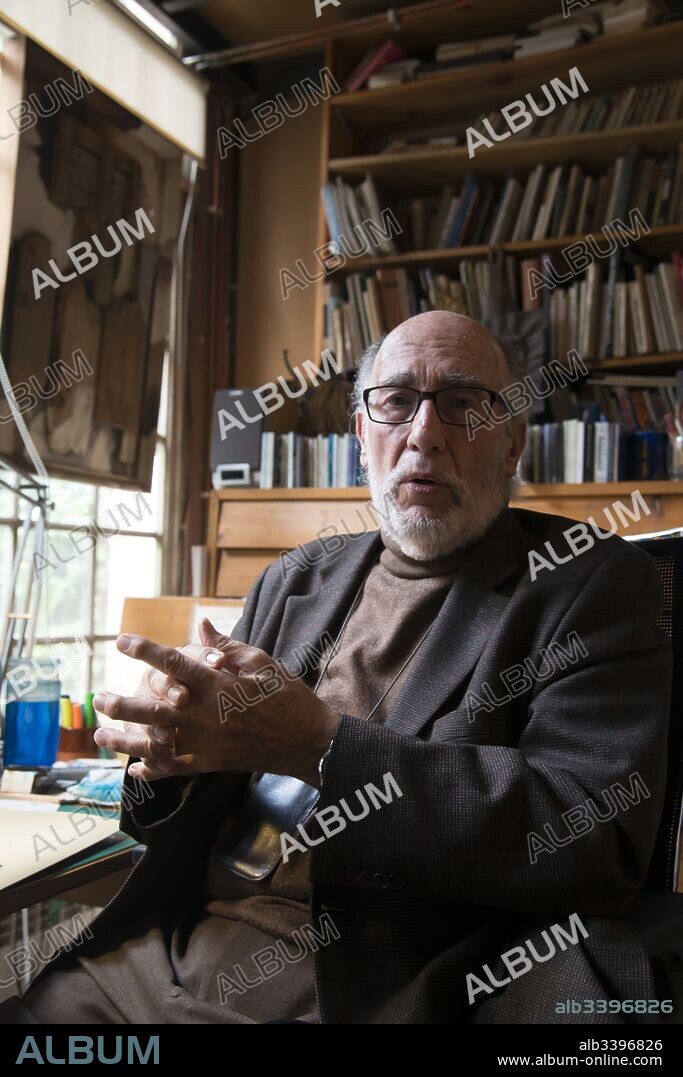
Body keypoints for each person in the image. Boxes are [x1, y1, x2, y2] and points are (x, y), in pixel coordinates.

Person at [2, 311, 671, 1024]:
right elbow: (200, 800)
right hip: (169, 954)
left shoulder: (592, 583)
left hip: (386, 977)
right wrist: (171, 754)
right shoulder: (295, 579)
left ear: (512, 442)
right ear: (361, 437)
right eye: (394, 402)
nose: (423, 434)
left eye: (463, 403)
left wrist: (318, 743)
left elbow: (592, 838)